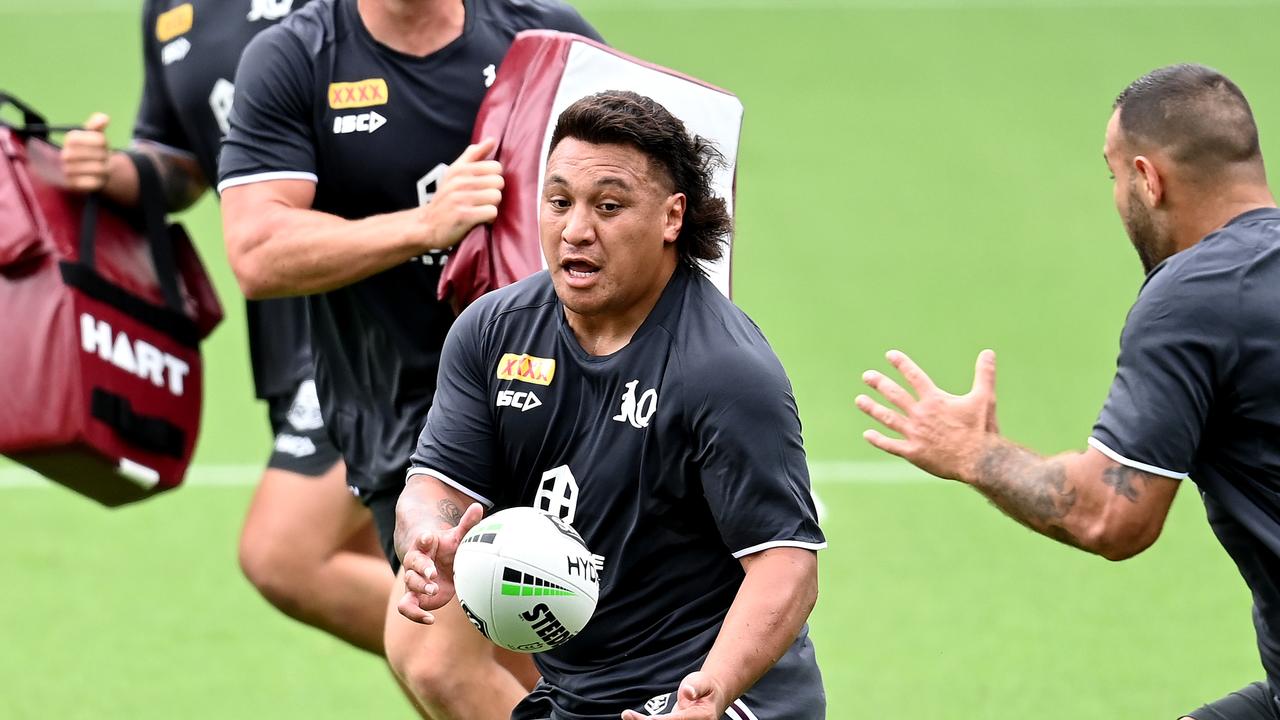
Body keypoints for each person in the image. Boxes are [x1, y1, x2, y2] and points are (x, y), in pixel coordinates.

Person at [856, 63, 1280, 720]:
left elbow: (1109, 516)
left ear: (1147, 179)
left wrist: (972, 453)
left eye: (1114, 177)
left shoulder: (1192, 298)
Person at [216, 0, 602, 716]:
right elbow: (258, 250)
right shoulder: (297, 57)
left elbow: (648, 198)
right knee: (527, 659)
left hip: (547, 393)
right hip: (395, 414)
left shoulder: (544, 36)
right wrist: (427, 226)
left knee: (438, 658)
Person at [395, 90, 827, 720]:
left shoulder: (723, 370)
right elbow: (438, 485)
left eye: (609, 206)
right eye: (559, 201)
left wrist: (712, 690)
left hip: (718, 696)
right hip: (581, 693)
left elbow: (786, 566)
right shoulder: (492, 332)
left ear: (672, 217)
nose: (575, 230)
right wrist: (427, 535)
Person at [58, 0, 392, 659]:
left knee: (286, 555)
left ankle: (579, 676)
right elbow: (180, 157)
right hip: (285, 325)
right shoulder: (168, 9)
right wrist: (118, 171)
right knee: (397, 573)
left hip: (383, 321)